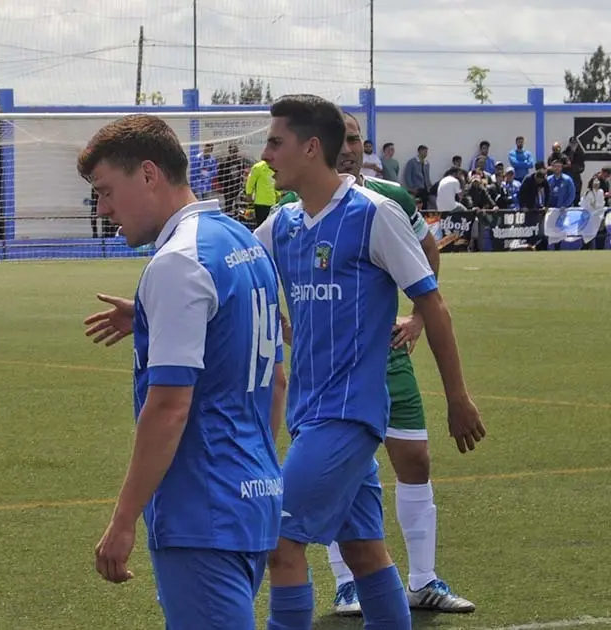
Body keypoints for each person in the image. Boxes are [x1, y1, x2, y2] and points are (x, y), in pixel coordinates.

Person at [254, 94, 485, 630]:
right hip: (309, 413)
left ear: (311, 148)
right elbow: (232, 266)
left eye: (275, 142)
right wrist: (149, 310)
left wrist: (457, 398)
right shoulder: (285, 223)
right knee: (363, 551)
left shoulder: (374, 214)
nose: (265, 155)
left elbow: (432, 303)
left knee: (279, 539)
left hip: (348, 416)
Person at [77, 114, 286, 629]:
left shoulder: (178, 263)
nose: (103, 209)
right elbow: (275, 375)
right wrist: (154, 316)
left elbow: (170, 407)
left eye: (106, 191)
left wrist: (124, 519)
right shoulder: (240, 241)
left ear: (149, 174)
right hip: (252, 494)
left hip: (201, 505)